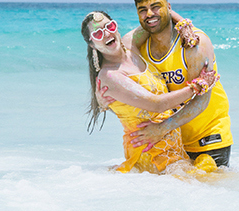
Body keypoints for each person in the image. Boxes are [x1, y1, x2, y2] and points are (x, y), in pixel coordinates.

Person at [81, 11, 218, 174]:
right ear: (92, 45)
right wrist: (198, 86)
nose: (106, 34)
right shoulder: (110, 76)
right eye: (98, 33)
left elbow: (157, 20)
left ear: (116, 27)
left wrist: (185, 27)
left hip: (172, 151)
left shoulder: (130, 45)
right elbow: (157, 104)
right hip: (151, 157)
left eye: (109, 26)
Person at [127, 0, 233, 167]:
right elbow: (120, 48)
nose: (150, 14)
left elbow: (201, 101)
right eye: (143, 10)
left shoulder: (194, 45)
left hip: (209, 136)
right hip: (173, 142)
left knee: (210, 191)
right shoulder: (141, 49)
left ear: (169, 6)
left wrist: (161, 128)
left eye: (156, 6)